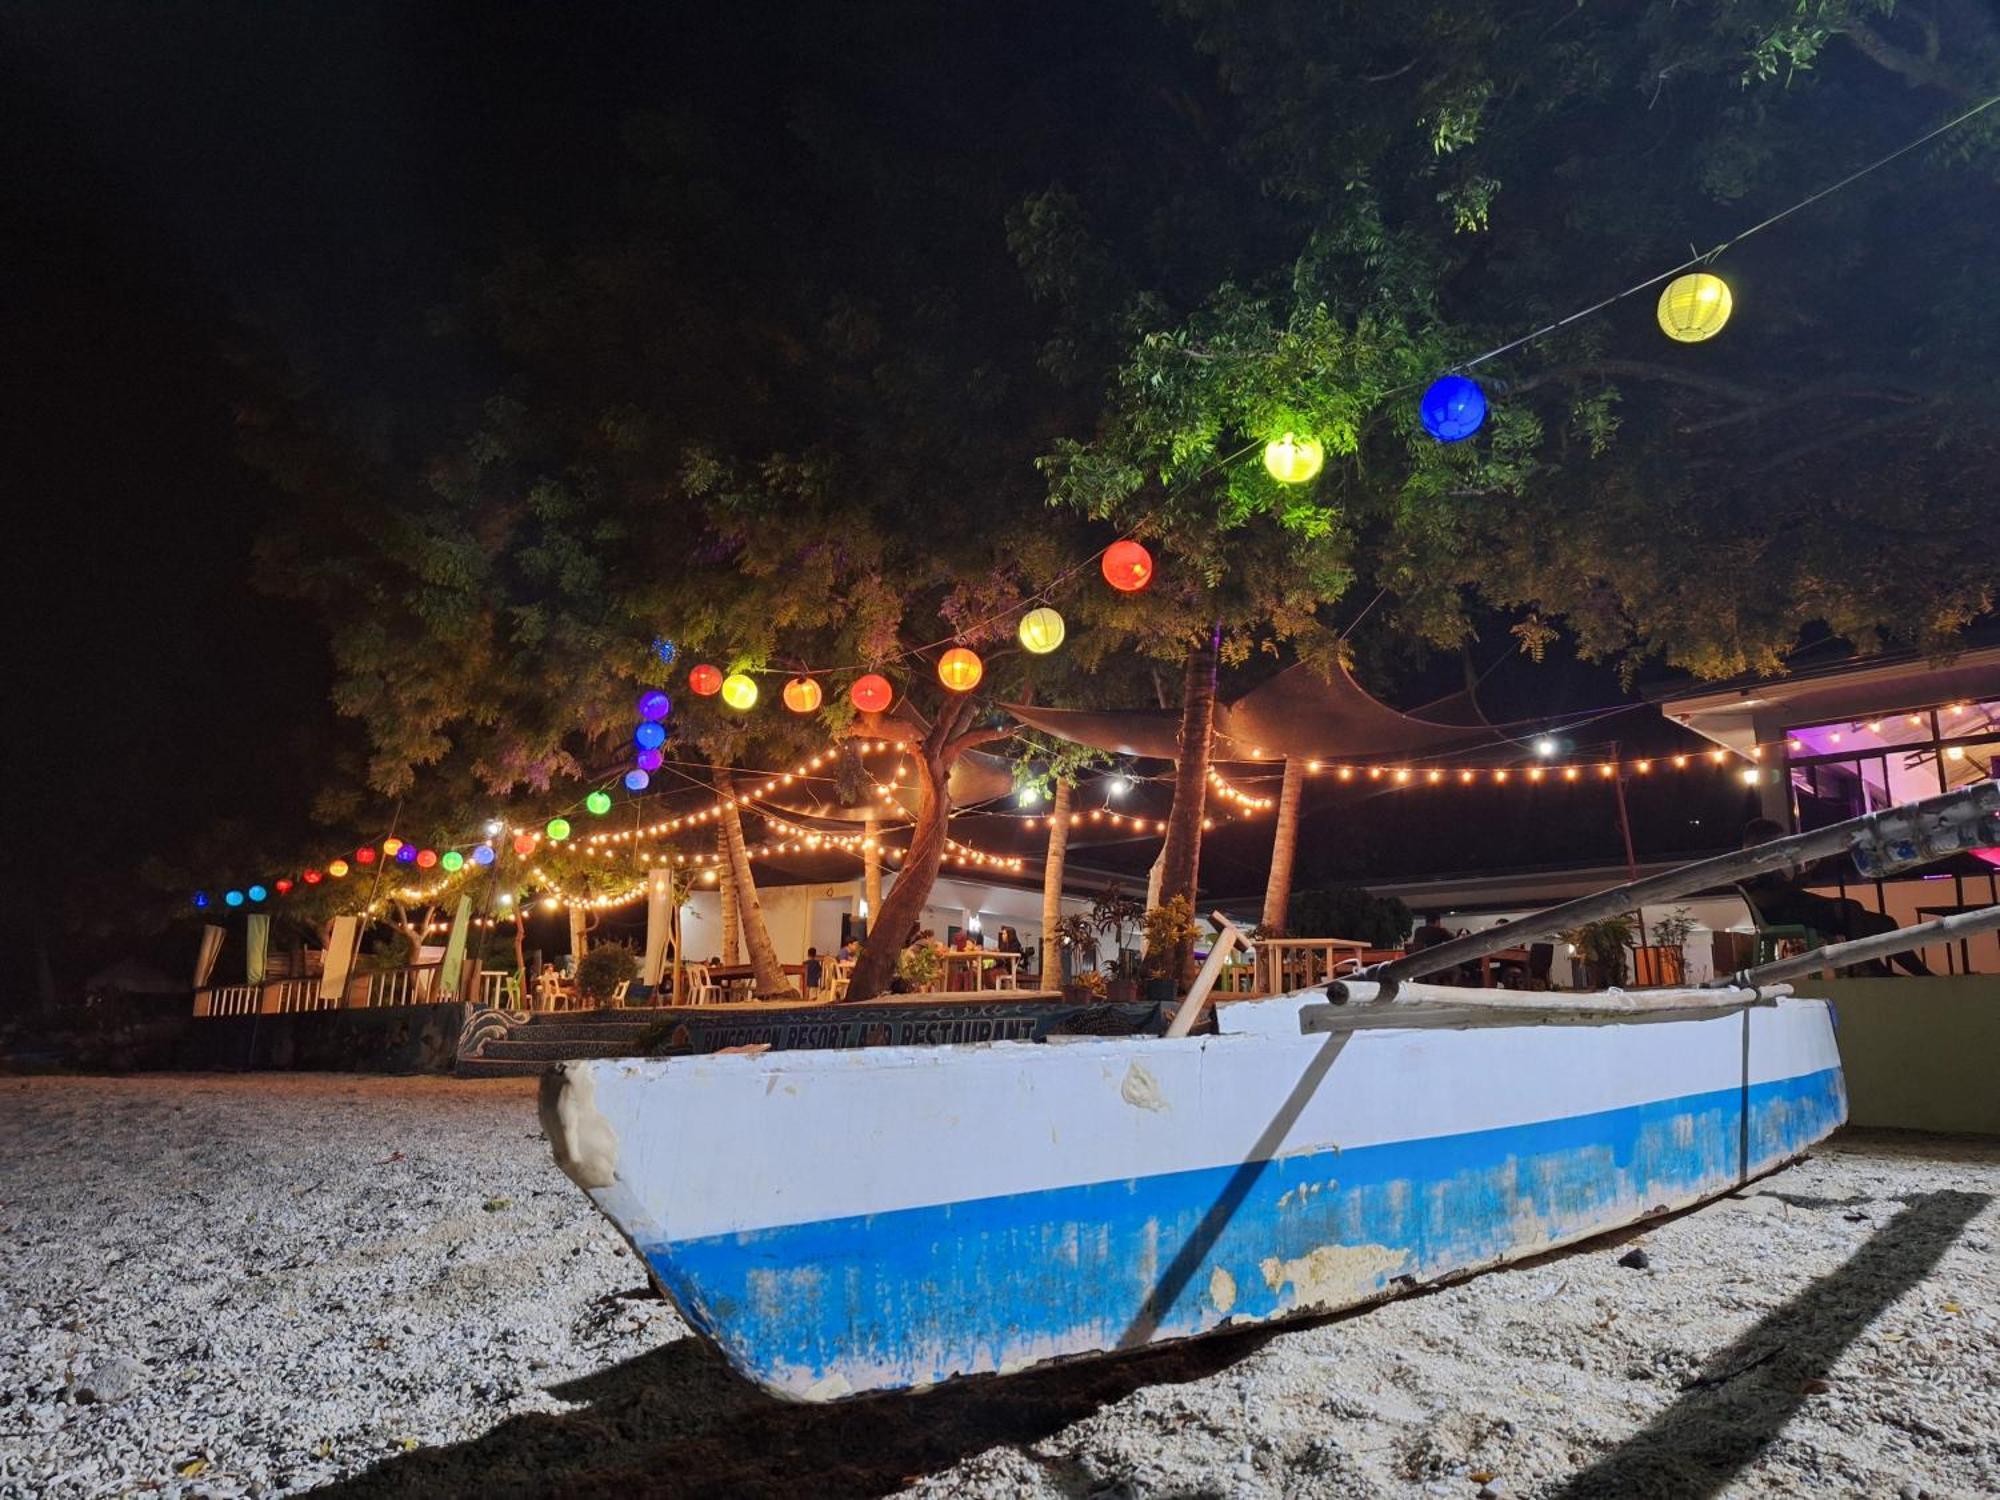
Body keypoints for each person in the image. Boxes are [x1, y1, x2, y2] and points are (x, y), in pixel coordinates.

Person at [1740, 818, 1930, 976]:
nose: (1781, 847)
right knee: (1850, 908)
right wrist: (1803, 876)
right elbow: (1775, 897)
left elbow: (1786, 890)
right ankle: (1869, 967)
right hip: (1788, 914)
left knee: (1885, 922)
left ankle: (1919, 973)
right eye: (1778, 841)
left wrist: (1804, 874)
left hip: (1800, 908)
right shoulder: (1749, 867)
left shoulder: (1763, 865)